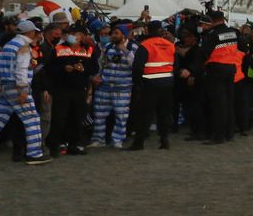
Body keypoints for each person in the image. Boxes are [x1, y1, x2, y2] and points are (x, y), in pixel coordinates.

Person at [0, 20, 50, 166]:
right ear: (29, 32)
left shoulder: (8, 45)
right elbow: (21, 70)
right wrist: (23, 90)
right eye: (35, 32)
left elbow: (3, 66)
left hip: (5, 87)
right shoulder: (23, 47)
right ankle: (34, 154)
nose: (36, 34)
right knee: (32, 120)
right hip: (17, 88)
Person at [188, 11, 242, 145]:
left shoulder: (213, 35)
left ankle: (218, 136)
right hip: (230, 69)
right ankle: (229, 133)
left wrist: (193, 72)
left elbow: (203, 54)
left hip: (216, 70)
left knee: (218, 105)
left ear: (212, 20)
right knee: (229, 103)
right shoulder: (233, 32)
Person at [126, 21, 177, 151]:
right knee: (164, 114)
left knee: (145, 114)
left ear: (147, 30)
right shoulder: (170, 45)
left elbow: (138, 67)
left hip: (149, 83)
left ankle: (139, 143)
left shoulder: (145, 45)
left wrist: (137, 83)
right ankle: (164, 141)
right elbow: (175, 64)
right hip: (167, 82)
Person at [47, 25, 97, 156]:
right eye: (70, 33)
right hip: (62, 89)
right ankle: (55, 145)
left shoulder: (89, 50)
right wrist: (64, 68)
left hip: (80, 89)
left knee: (77, 118)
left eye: (76, 33)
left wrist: (84, 69)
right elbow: (49, 68)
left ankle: (74, 145)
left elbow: (94, 68)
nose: (72, 36)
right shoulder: (58, 48)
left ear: (82, 36)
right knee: (59, 118)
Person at [93, 26, 136, 148]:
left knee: (121, 115)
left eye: (116, 33)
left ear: (124, 35)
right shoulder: (107, 47)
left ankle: (118, 139)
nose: (113, 35)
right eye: (112, 33)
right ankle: (98, 139)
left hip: (122, 88)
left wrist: (125, 51)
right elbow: (101, 63)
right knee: (99, 114)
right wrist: (98, 76)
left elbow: (136, 65)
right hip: (105, 86)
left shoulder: (133, 47)